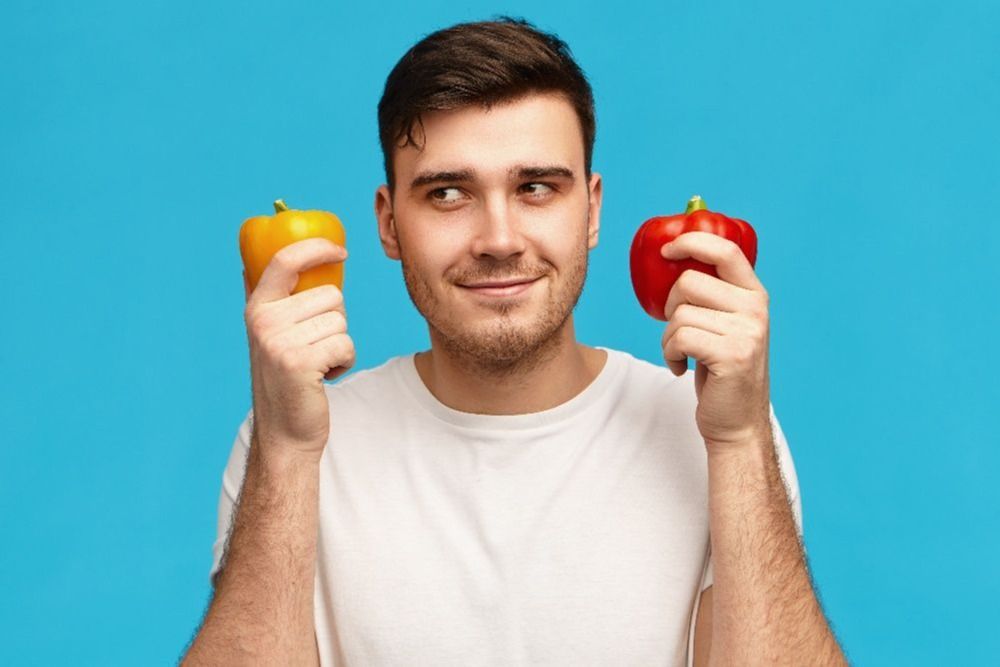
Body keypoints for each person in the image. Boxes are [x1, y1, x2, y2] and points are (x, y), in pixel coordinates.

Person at [182, 16, 847, 666]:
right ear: (388, 223)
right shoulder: (298, 440)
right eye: (447, 193)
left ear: (591, 209)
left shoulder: (710, 429)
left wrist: (738, 442)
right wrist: (290, 449)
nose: (499, 239)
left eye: (535, 187)